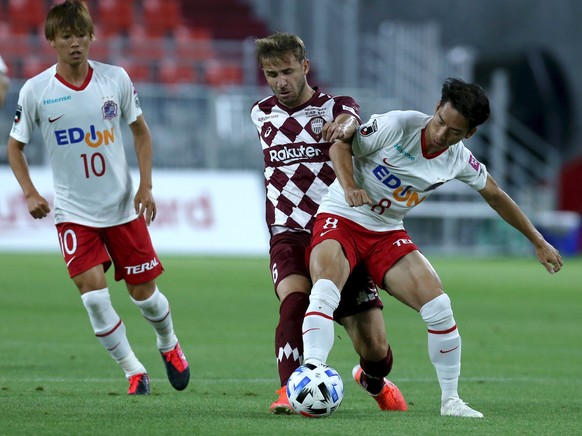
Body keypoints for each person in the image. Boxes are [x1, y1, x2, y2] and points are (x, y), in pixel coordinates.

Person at [300, 77, 564, 418]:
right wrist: (350, 186)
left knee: (439, 306)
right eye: (440, 122)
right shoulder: (397, 125)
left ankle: (451, 401)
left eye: (454, 132)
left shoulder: (458, 160)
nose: (441, 135)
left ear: (469, 134)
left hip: (387, 232)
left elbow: (496, 196)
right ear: (436, 108)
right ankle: (311, 372)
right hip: (343, 217)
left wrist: (538, 241)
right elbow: (341, 142)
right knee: (324, 290)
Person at [6, 0, 190, 395]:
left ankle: (168, 344)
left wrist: (146, 185)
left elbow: (140, 131)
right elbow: (15, 147)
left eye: (80, 35)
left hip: (122, 207)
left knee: (146, 298)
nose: (74, 43)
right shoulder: (36, 90)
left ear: (92, 36)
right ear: (52, 40)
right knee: (92, 296)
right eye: (65, 36)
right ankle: (133, 371)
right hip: (73, 213)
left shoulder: (115, 79)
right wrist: (30, 192)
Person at [251, 32, 406, 415]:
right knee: (294, 302)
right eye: (271, 74)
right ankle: (290, 390)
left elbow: (350, 119)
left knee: (376, 350)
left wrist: (345, 125)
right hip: (288, 232)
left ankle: (371, 379)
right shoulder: (260, 113)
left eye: (287, 71)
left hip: (338, 232)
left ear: (305, 67)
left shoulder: (338, 106)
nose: (280, 82)